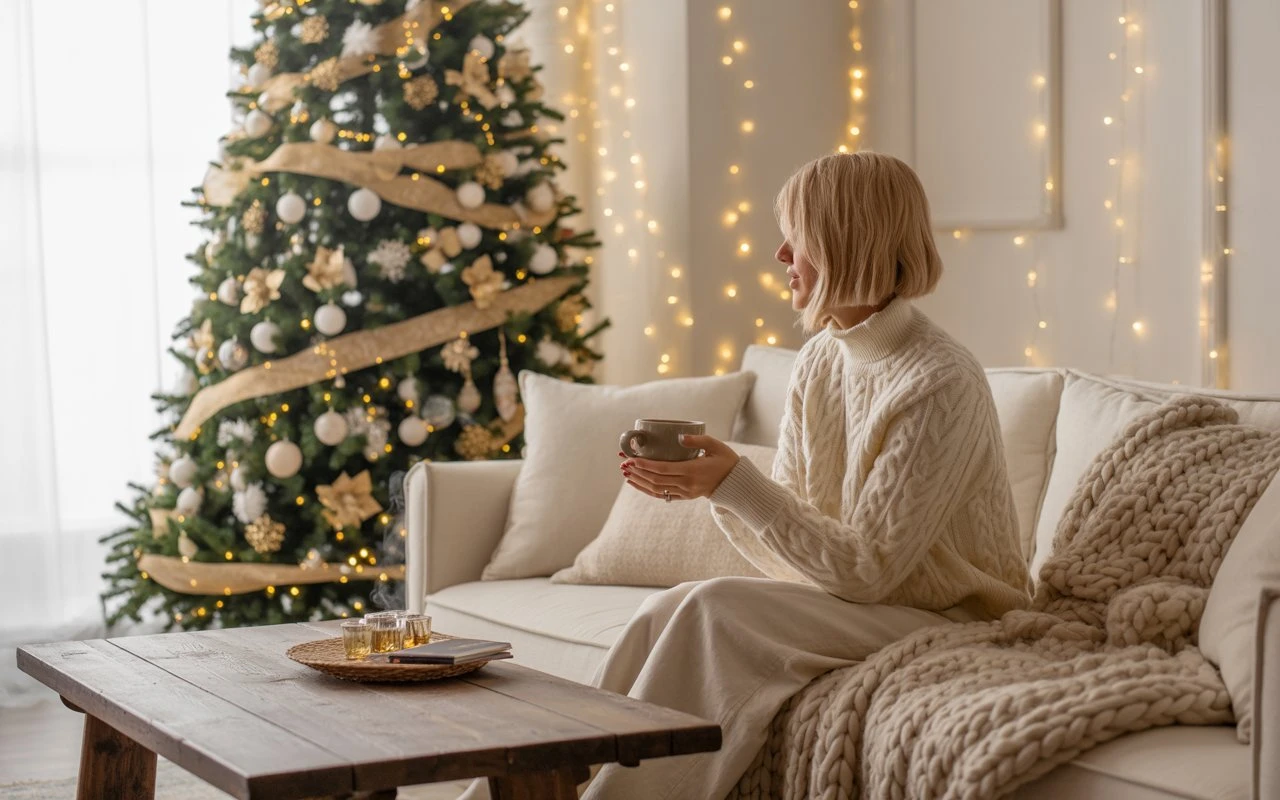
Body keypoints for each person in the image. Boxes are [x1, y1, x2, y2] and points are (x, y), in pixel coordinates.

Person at [589, 152, 1033, 799]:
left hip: (950, 616)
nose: (780, 255)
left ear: (844, 243)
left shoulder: (939, 380)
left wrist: (735, 484)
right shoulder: (821, 360)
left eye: (796, 238)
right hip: (862, 603)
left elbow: (868, 570)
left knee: (713, 608)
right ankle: (541, 781)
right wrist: (718, 489)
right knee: (669, 606)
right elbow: (797, 556)